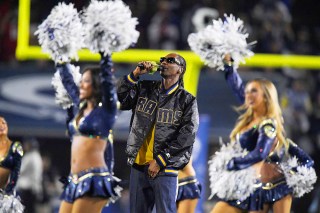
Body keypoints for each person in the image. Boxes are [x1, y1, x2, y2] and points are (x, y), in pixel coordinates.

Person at [210, 55, 315, 213]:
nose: (248, 95)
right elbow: (237, 87)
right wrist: (229, 66)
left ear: (266, 97)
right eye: (247, 91)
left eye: (254, 91)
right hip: (251, 183)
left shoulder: (268, 124)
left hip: (272, 185)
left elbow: (261, 153)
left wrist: (234, 162)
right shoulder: (251, 115)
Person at [117, 53, 199, 213]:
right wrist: (135, 75)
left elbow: (186, 137)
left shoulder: (187, 100)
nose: (163, 62)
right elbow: (123, 99)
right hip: (139, 166)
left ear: (180, 70)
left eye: (170, 61)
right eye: (162, 60)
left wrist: (160, 160)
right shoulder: (145, 88)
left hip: (165, 169)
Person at [56, 52, 120, 213]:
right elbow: (68, 82)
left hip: (94, 179)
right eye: (81, 81)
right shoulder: (81, 107)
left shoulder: (107, 111)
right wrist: (60, 57)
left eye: (86, 81)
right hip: (74, 180)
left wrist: (105, 54)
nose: (81, 85)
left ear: (96, 84)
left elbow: (107, 81)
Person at [0, 116, 24, 211]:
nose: (1, 125)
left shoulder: (15, 147)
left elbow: (16, 171)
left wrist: (8, 192)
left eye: (4, 123)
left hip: (4, 194)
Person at [16, 137, 43, 213]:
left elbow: (20, 170)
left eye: (27, 144)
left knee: (27, 209)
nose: (25, 146)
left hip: (28, 188)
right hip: (28, 188)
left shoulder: (32, 156)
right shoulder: (32, 156)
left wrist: (37, 188)